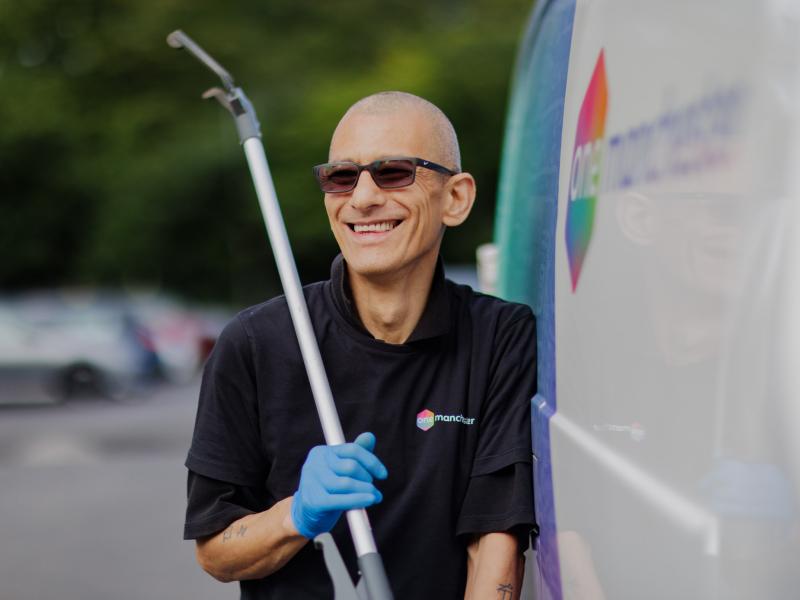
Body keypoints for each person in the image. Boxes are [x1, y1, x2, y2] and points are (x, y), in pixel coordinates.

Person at [183, 91, 537, 599]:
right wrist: (297, 513)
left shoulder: (501, 337)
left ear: (455, 198)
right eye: (341, 177)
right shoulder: (256, 343)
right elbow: (215, 550)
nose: (363, 197)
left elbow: (495, 541)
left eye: (393, 173)